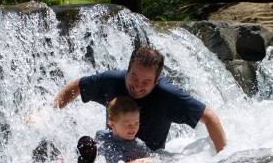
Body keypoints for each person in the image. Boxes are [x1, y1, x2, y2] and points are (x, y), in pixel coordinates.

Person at [52, 46, 227, 153]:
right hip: (113, 148)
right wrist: (50, 112)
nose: (137, 86)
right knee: (80, 153)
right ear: (127, 70)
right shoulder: (111, 80)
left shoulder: (167, 96)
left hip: (146, 162)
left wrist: (223, 159)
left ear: (156, 81)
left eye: (146, 82)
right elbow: (78, 86)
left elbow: (209, 117)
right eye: (134, 77)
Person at [0, 96, 152, 163]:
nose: (133, 128)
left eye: (136, 123)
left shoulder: (138, 145)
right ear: (111, 124)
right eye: (128, 124)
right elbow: (91, 151)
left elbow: (152, 162)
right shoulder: (101, 135)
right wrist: (69, 157)